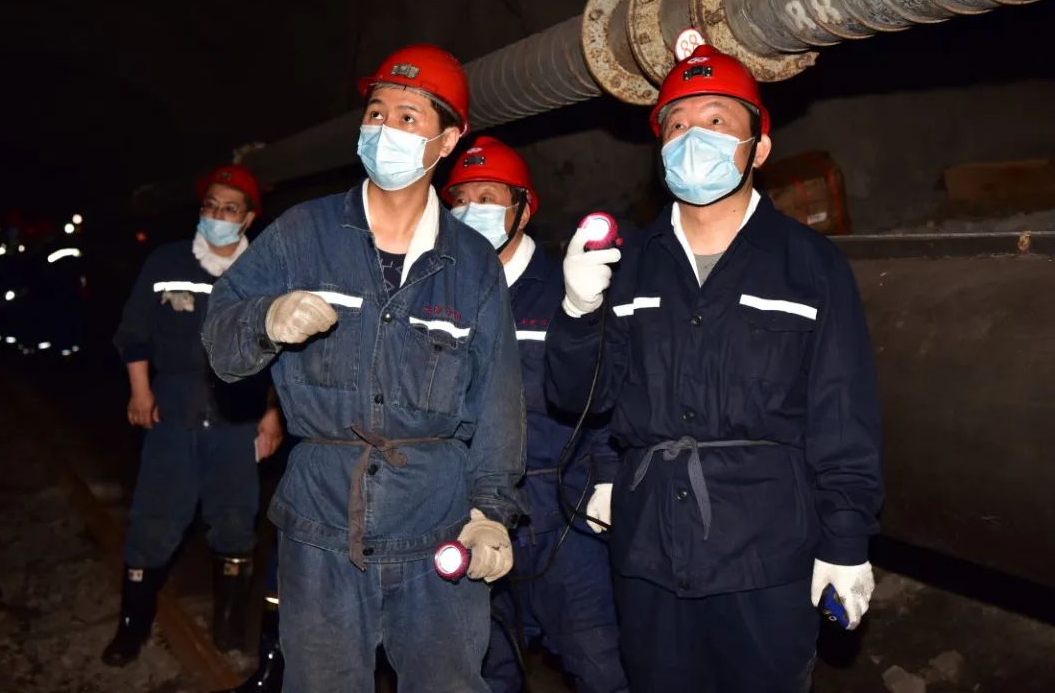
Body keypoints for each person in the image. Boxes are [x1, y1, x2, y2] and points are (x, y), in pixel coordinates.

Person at [544, 45, 884, 692]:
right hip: (648, 553)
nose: (691, 137)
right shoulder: (627, 264)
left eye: (716, 120)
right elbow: (576, 398)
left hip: (766, 559)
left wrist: (845, 541)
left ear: (758, 148)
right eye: (676, 124)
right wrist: (578, 312)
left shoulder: (810, 266)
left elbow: (844, 419)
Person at [202, 44, 526, 693]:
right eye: (376, 113)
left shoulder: (472, 263)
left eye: (408, 117)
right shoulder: (302, 233)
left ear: (447, 141)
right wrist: (264, 319)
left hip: (437, 524)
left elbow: (497, 397)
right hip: (322, 524)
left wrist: (491, 510)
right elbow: (219, 338)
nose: (385, 129)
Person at [442, 136, 628, 692]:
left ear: (523, 210)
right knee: (486, 667)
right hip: (470, 510)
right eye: (460, 199)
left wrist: (608, 478)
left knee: (600, 663)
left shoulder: (567, 289)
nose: (471, 210)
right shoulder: (441, 296)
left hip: (564, 509)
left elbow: (604, 389)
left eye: (488, 197)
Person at [105, 164, 283, 665]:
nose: (218, 216)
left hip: (239, 417)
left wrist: (273, 415)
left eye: (230, 209)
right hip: (173, 413)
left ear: (248, 218)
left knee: (235, 522)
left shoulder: (267, 272)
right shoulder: (167, 260)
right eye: (210, 206)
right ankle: (131, 627)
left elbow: (282, 353)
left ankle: (228, 627)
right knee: (154, 520)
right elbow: (134, 332)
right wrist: (140, 391)